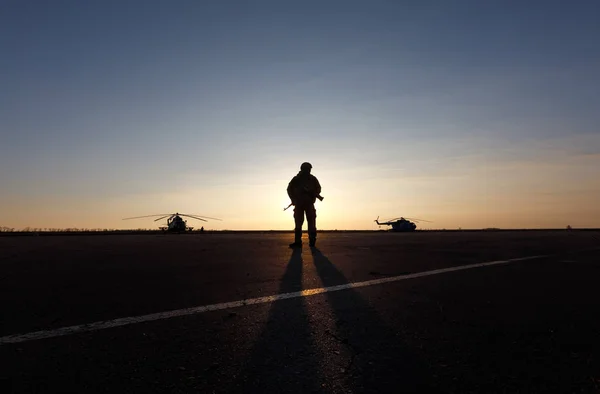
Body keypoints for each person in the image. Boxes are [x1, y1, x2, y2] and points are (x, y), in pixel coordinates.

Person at [286, 162, 322, 248]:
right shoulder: (296, 179)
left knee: (311, 222)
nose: (308, 171)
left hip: (309, 203)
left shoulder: (312, 179)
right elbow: (289, 189)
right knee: (298, 223)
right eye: (307, 169)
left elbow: (318, 188)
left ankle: (312, 241)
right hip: (299, 204)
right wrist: (293, 199)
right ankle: (298, 242)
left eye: (309, 169)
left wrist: (313, 193)